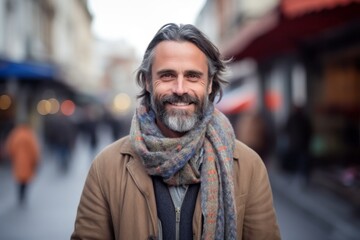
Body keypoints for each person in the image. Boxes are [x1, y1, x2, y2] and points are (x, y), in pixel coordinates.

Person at [71, 23, 280, 240]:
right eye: (168, 76)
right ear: (148, 82)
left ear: (209, 84)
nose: (180, 89)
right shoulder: (107, 167)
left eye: (192, 76)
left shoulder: (248, 166)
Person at [5, 122, 40, 205]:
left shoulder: (15, 134)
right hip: (28, 161)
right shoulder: (29, 135)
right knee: (25, 180)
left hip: (17, 161)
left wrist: (12, 156)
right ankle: (23, 195)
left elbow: (9, 147)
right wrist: (36, 161)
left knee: (19, 178)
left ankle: (20, 194)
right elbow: (34, 149)